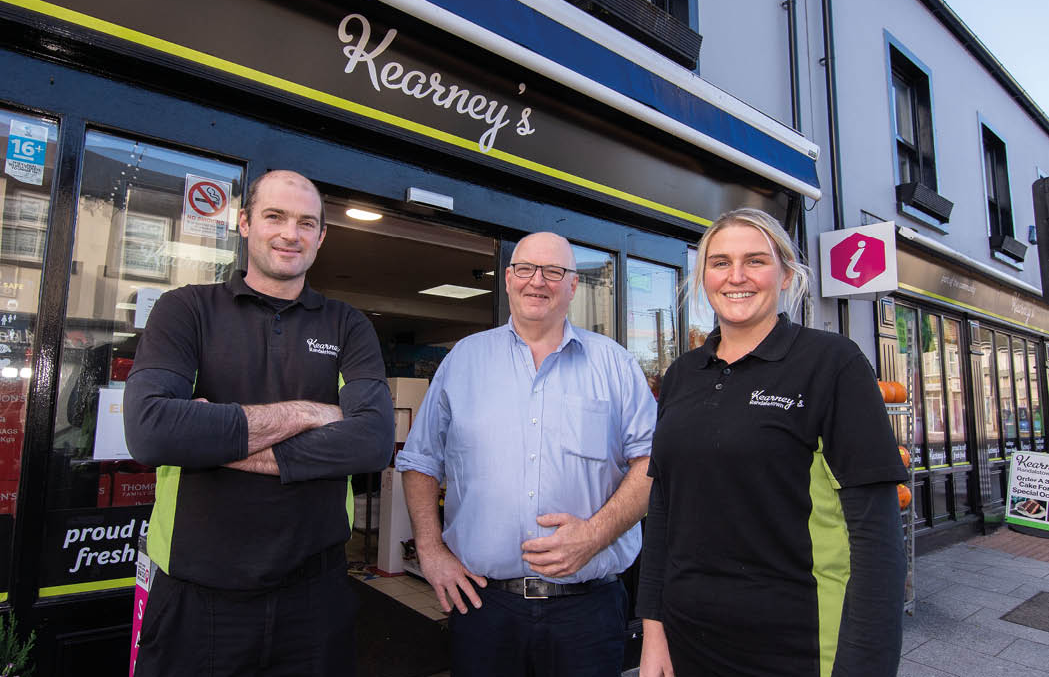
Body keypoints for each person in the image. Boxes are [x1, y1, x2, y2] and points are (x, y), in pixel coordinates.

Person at [123, 170, 394, 677]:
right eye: (275, 216)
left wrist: (209, 440)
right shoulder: (186, 309)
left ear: (321, 237)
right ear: (245, 223)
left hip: (315, 599)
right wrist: (310, 413)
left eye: (306, 222)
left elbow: (373, 443)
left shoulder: (347, 325)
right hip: (198, 596)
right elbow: (151, 430)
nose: (291, 233)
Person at [637, 208, 907, 677]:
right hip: (687, 642)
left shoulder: (832, 363)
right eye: (719, 263)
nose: (736, 276)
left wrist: (864, 664)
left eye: (755, 261)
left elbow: (876, 536)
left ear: (785, 275)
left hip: (797, 646)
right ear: (703, 277)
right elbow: (663, 509)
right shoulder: (682, 375)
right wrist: (653, 631)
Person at [396, 231, 656, 677]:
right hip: (484, 606)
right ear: (509, 278)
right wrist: (430, 548)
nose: (538, 281)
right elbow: (420, 460)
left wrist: (594, 534)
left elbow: (652, 464)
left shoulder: (615, 365)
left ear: (573, 285)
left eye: (554, 271)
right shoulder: (464, 360)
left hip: (587, 613)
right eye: (525, 269)